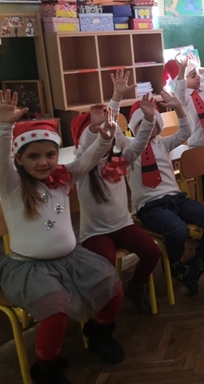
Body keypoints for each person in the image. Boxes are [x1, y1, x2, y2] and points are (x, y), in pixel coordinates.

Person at [0, 90, 125, 384]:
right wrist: (4, 127)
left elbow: (89, 159)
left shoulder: (63, 178)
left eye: (50, 154)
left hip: (71, 259)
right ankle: (46, 368)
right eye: (33, 156)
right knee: (55, 311)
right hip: (28, 268)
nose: (43, 162)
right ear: (18, 159)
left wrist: (104, 139)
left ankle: (98, 333)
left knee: (112, 286)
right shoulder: (11, 185)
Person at [73, 70, 160, 314]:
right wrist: (114, 100)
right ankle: (102, 312)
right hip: (95, 234)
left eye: (108, 135)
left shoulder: (119, 160)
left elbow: (138, 144)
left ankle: (136, 287)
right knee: (106, 266)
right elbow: (89, 143)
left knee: (152, 252)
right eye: (97, 134)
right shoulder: (81, 167)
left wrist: (149, 120)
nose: (105, 137)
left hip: (123, 226)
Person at [129, 90, 204, 295]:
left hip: (176, 199)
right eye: (143, 123)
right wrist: (145, 117)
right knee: (178, 230)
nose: (149, 126)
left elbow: (185, 131)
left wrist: (180, 109)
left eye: (153, 122)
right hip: (150, 206)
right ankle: (174, 265)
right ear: (133, 127)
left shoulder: (162, 143)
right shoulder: (129, 149)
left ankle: (197, 263)